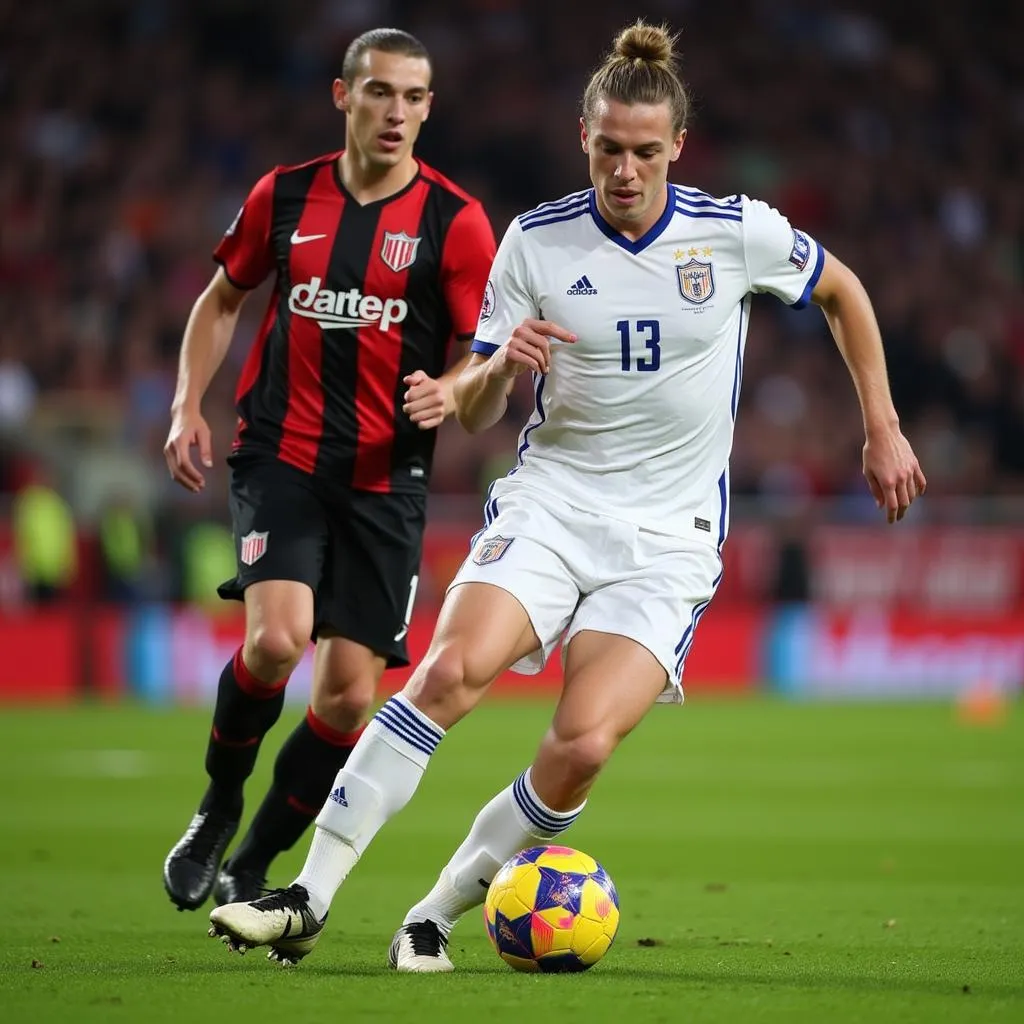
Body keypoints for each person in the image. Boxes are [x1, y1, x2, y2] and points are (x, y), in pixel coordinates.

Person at [207, 19, 926, 968]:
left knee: (581, 745)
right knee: (445, 676)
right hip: (551, 506)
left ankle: (431, 915)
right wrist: (499, 367)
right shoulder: (536, 244)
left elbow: (845, 293)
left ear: (675, 146)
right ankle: (308, 894)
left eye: (642, 152)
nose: (623, 171)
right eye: (607, 150)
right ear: (581, 139)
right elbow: (468, 408)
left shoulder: (735, 230)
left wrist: (881, 423)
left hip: (670, 538)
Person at [161, 27, 496, 912]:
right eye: (380, 92)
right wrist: (186, 403)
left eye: (415, 96)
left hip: (388, 479)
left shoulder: (454, 222)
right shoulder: (285, 195)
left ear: (429, 107)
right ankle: (216, 808)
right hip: (283, 453)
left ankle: (256, 860)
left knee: (348, 698)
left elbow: (486, 351)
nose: (397, 112)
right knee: (274, 640)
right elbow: (222, 298)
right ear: (343, 97)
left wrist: (452, 390)